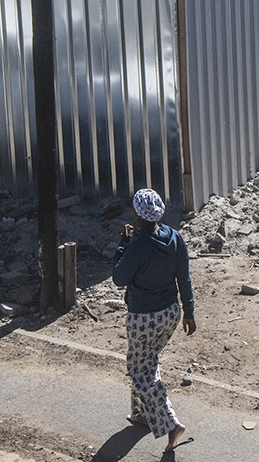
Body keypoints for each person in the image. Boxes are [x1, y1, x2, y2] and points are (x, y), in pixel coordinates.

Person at [111, 188, 196, 446]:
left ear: (138, 214)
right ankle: (141, 413)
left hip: (144, 317)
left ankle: (171, 423)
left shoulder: (137, 245)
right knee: (147, 359)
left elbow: (118, 278)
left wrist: (122, 245)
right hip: (170, 313)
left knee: (140, 370)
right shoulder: (175, 238)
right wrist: (189, 312)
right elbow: (185, 278)